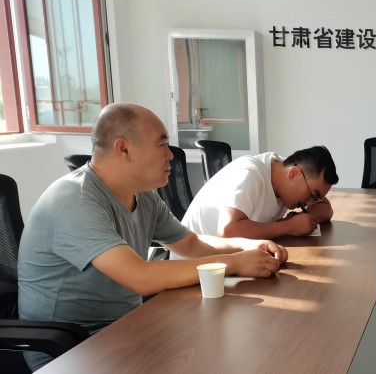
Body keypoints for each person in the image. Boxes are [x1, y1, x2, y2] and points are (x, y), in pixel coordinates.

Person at [17, 103, 288, 371]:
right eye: (162, 145)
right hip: (71, 350)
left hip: (125, 328)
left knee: (233, 347)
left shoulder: (143, 195)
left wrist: (246, 247)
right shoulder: (74, 200)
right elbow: (141, 277)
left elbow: (191, 244)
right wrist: (233, 263)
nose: (170, 155)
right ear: (123, 148)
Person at [180, 147, 338, 240]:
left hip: (228, 260)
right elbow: (228, 231)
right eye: (312, 195)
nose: (310, 203)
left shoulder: (286, 172)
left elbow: (325, 209)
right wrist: (287, 226)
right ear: (294, 173)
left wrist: (301, 221)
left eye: (316, 198)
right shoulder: (249, 174)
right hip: (195, 265)